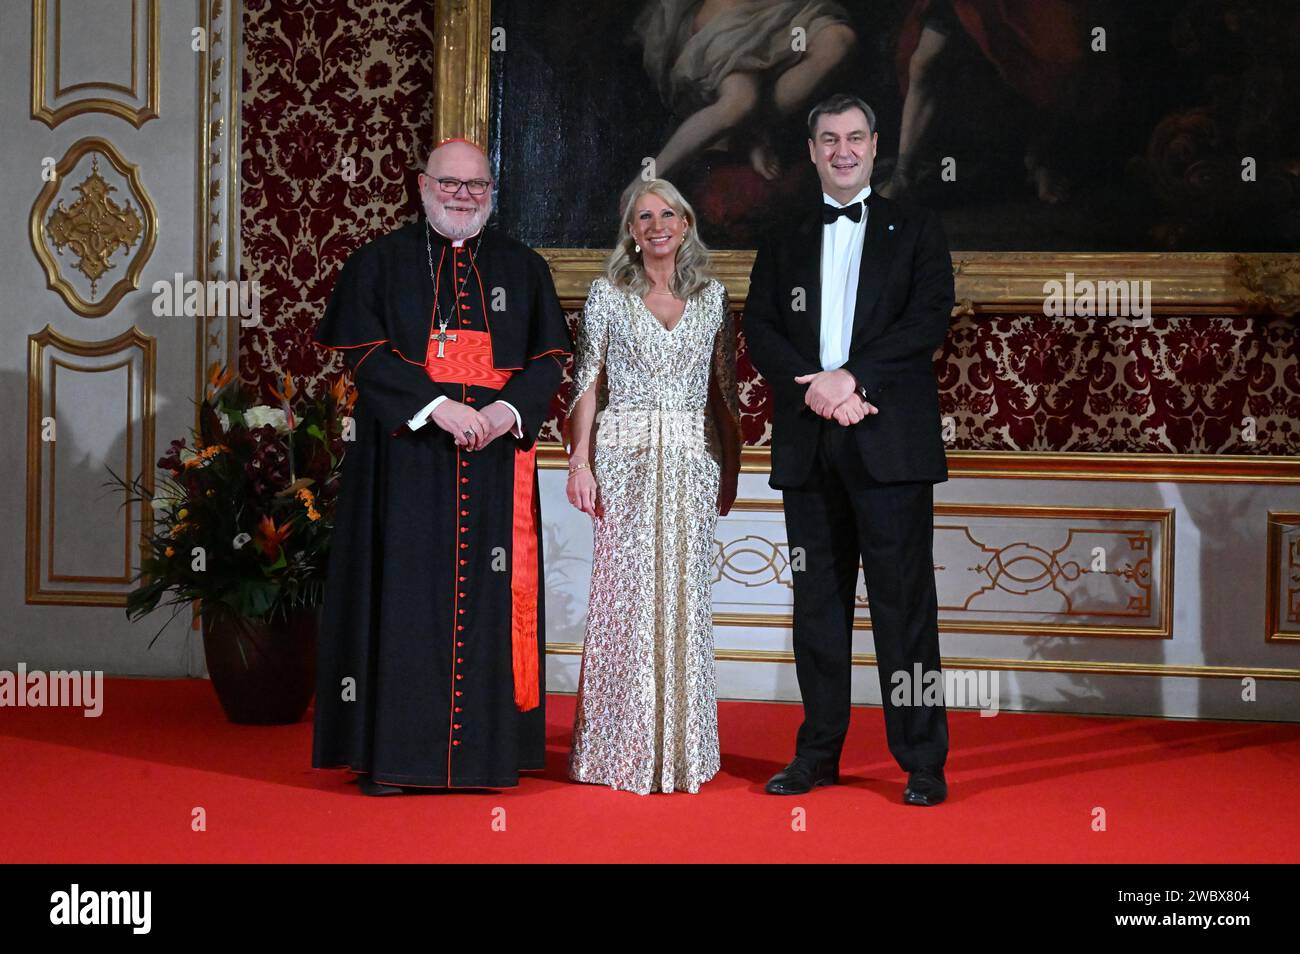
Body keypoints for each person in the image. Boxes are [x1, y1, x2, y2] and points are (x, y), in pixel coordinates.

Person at [311, 139, 572, 794]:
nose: (463, 195)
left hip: (493, 464)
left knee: (489, 605)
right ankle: (395, 759)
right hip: (403, 463)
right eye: (451, 183)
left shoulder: (523, 266)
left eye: (476, 185)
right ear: (422, 185)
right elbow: (365, 356)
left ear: (492, 190)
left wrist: (506, 413)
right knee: (401, 602)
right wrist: (436, 407)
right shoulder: (379, 263)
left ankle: (485, 760)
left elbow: (547, 362)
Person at [744, 93, 954, 805]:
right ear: (811, 151)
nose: (842, 149)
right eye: (828, 138)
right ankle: (818, 754)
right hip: (810, 446)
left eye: (855, 138)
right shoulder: (782, 235)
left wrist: (851, 379)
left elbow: (925, 323)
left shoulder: (918, 229)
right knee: (817, 609)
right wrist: (819, 392)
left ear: (873, 146)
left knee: (905, 611)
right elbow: (762, 330)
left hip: (889, 445)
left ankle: (922, 761)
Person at [564, 178, 741, 794]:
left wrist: (725, 469)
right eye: (644, 216)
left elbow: (724, 394)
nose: (658, 224)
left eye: (669, 214)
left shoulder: (715, 299)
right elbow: (586, 384)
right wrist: (580, 462)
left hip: (691, 460)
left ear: (686, 225)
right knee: (625, 604)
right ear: (632, 233)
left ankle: (683, 751)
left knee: (684, 601)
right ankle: (620, 751)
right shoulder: (606, 296)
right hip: (622, 459)